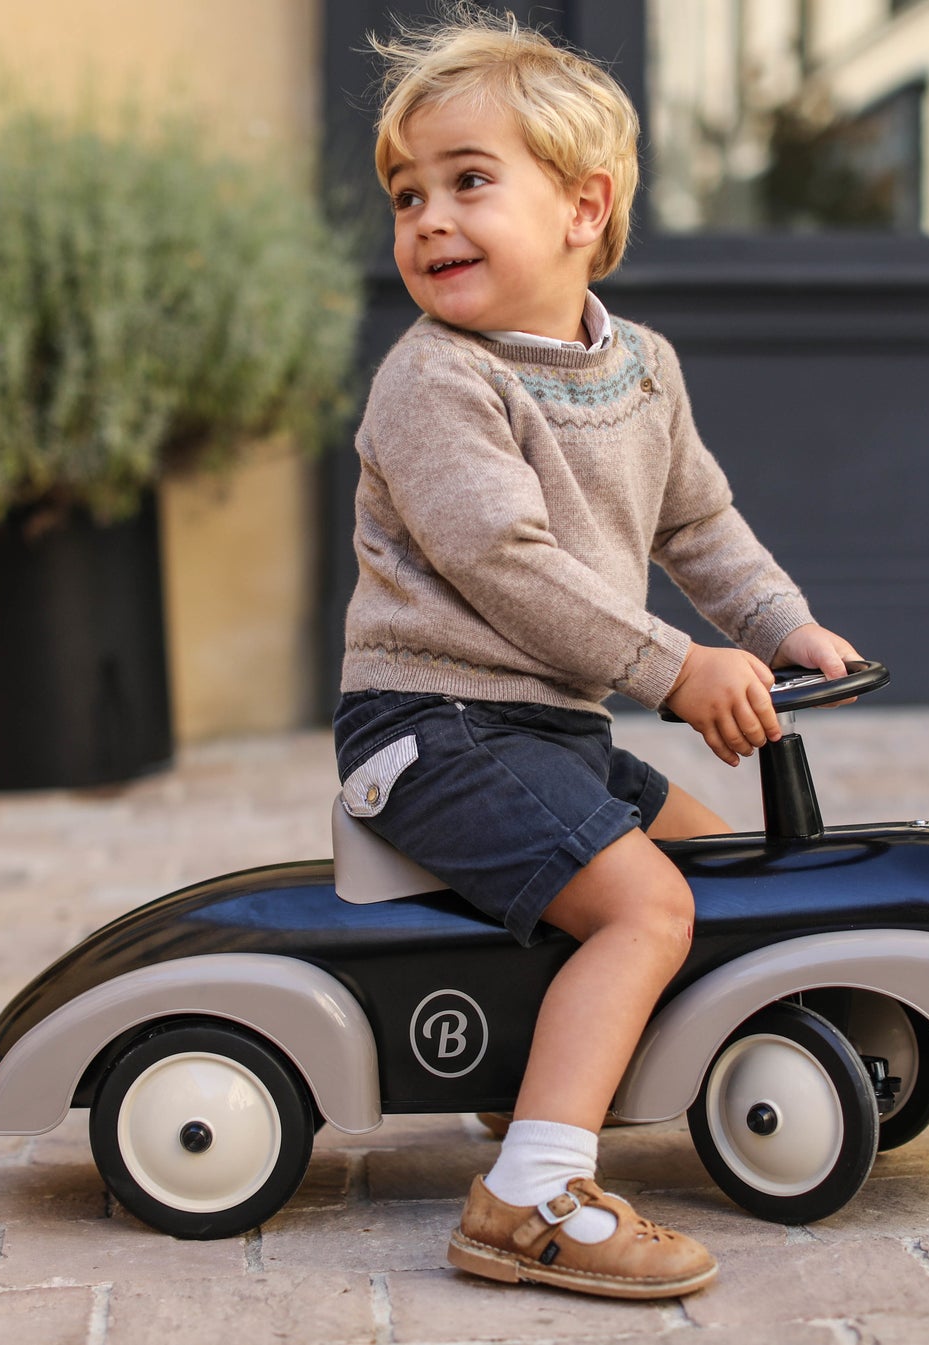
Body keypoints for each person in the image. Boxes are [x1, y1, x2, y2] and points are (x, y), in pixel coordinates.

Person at [333, 10, 861, 1300]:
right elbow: (506, 569)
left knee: (710, 862)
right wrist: (676, 670)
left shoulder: (643, 370)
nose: (427, 220)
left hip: (543, 730)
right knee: (646, 905)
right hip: (434, 723)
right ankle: (527, 1198)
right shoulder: (434, 380)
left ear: (585, 207)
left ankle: (552, 1085)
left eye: (469, 181)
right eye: (409, 195)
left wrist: (778, 626)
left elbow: (697, 522)